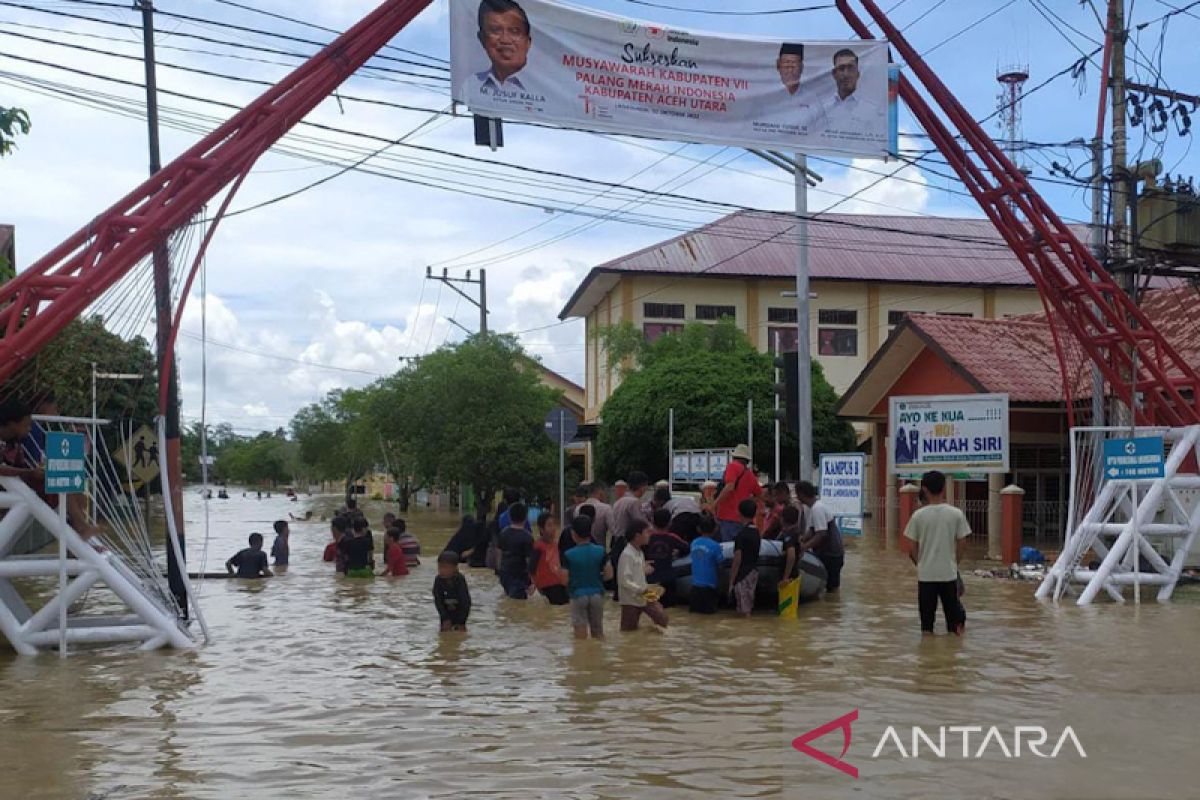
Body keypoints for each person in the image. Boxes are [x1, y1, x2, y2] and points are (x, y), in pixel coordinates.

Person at [904, 471, 969, 636]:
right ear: (944, 488)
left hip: (926, 577)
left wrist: (922, 563)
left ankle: (927, 658)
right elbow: (962, 543)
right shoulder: (956, 514)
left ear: (924, 490)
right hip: (949, 574)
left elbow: (911, 549)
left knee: (926, 628)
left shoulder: (918, 516)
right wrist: (954, 563)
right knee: (954, 628)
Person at [561, 516, 612, 639]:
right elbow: (609, 574)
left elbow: (564, 580)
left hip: (577, 595)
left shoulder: (568, 554)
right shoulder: (601, 551)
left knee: (580, 635)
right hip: (597, 595)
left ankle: (582, 656)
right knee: (598, 632)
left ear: (573, 533)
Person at [617, 521, 668, 631]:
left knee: (662, 619)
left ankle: (650, 636)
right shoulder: (627, 554)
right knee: (628, 631)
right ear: (637, 536)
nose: (650, 535)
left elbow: (634, 573)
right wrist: (643, 589)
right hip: (631, 599)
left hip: (644, 595)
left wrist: (643, 570)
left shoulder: (639, 552)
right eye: (647, 532)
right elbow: (624, 580)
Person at [474, 0, 533, 93]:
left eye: (514, 31)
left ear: (528, 42)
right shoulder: (471, 85)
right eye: (495, 30)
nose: (505, 40)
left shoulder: (549, 90)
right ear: (482, 39)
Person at [797, 481, 845, 591]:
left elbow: (821, 534)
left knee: (831, 589)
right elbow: (813, 530)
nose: (797, 498)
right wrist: (802, 539)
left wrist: (804, 547)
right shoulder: (816, 507)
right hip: (830, 552)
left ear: (802, 494)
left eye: (798, 494)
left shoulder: (817, 509)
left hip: (831, 554)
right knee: (826, 587)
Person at [609, 471, 650, 599]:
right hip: (626, 544)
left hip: (615, 542)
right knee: (632, 581)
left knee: (620, 582)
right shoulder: (634, 502)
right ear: (643, 487)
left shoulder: (619, 501)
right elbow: (641, 524)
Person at [713, 444, 763, 542]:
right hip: (742, 519)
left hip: (727, 517)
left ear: (734, 457)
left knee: (727, 550)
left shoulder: (732, 466)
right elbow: (759, 495)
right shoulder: (750, 475)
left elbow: (729, 487)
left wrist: (715, 504)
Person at [644, 508, 689, 607]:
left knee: (650, 608)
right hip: (668, 579)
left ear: (652, 522)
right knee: (670, 611)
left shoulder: (647, 537)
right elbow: (687, 548)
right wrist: (676, 553)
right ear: (670, 523)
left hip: (650, 580)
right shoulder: (672, 538)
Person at [727, 499, 761, 618]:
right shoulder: (756, 532)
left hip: (743, 574)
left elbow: (737, 560)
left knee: (743, 610)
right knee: (748, 604)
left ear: (739, 513)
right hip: (753, 572)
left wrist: (731, 582)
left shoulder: (741, 535)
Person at [498, 502, 534, 599]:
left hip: (504, 574)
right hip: (519, 576)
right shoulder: (527, 537)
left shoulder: (503, 533)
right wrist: (532, 581)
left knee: (508, 599)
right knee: (519, 604)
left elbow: (499, 554)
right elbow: (529, 561)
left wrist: (499, 571)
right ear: (526, 518)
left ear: (509, 517)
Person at [688, 514, 723, 614]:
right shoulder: (715, 546)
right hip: (709, 588)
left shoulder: (694, 543)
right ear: (715, 529)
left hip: (694, 588)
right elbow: (720, 565)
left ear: (698, 529)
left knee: (695, 617)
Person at [530, 514, 569, 605]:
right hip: (547, 586)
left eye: (554, 525)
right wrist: (535, 585)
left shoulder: (555, 544)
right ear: (541, 529)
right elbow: (531, 568)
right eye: (549, 525)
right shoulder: (538, 546)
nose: (553, 528)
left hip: (559, 584)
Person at [433, 551, 472, 632]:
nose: (442, 570)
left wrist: (461, 621)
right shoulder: (438, 580)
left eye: (446, 567)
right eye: (440, 567)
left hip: (460, 612)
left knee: (459, 636)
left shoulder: (460, 580)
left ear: (455, 568)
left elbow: (465, 603)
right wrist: (445, 618)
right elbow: (438, 601)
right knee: (444, 636)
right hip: (445, 611)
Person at [779, 505, 807, 588]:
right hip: (794, 572)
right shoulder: (797, 532)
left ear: (783, 519)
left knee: (786, 601)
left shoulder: (789, 535)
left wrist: (785, 578)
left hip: (789, 576)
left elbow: (791, 556)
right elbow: (802, 549)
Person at [579, 481, 612, 548]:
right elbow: (614, 530)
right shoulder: (606, 508)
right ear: (601, 492)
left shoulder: (578, 508)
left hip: (580, 548)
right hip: (600, 549)